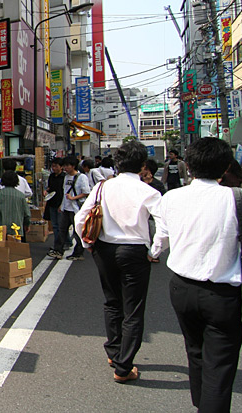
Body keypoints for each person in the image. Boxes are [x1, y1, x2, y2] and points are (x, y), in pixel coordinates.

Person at [151, 138, 242, 412]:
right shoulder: (239, 199)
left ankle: (200, 402)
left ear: (188, 166)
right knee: (220, 363)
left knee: (195, 350)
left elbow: (162, 237)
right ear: (226, 166)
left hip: (182, 289)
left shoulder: (172, 198)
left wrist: (153, 253)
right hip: (224, 293)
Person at [74, 141, 161, 384]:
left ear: (118, 163)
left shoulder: (102, 187)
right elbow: (163, 224)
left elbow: (80, 217)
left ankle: (114, 353)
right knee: (133, 308)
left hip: (104, 249)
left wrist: (87, 243)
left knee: (112, 301)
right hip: (134, 251)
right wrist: (155, 250)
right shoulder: (149, 192)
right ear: (143, 165)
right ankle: (124, 366)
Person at [49, 156, 90, 261]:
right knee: (61, 230)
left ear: (73, 166)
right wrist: (62, 205)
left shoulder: (81, 177)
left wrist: (73, 198)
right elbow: (64, 192)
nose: (65, 168)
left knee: (77, 232)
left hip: (76, 209)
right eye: (64, 166)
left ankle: (78, 253)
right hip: (66, 208)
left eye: (67, 165)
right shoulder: (66, 177)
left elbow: (86, 192)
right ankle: (58, 251)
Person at [0, 171, 31, 239]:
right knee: (15, 247)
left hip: (0, 227)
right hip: (16, 228)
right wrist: (27, 224)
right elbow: (27, 214)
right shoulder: (21, 195)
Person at [44, 158, 65, 244]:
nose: (54, 168)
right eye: (53, 166)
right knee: (55, 225)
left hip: (60, 203)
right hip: (51, 202)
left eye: (56, 166)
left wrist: (62, 204)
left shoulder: (64, 177)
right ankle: (59, 243)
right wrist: (46, 191)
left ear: (61, 167)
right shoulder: (51, 176)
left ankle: (61, 243)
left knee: (60, 225)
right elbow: (50, 187)